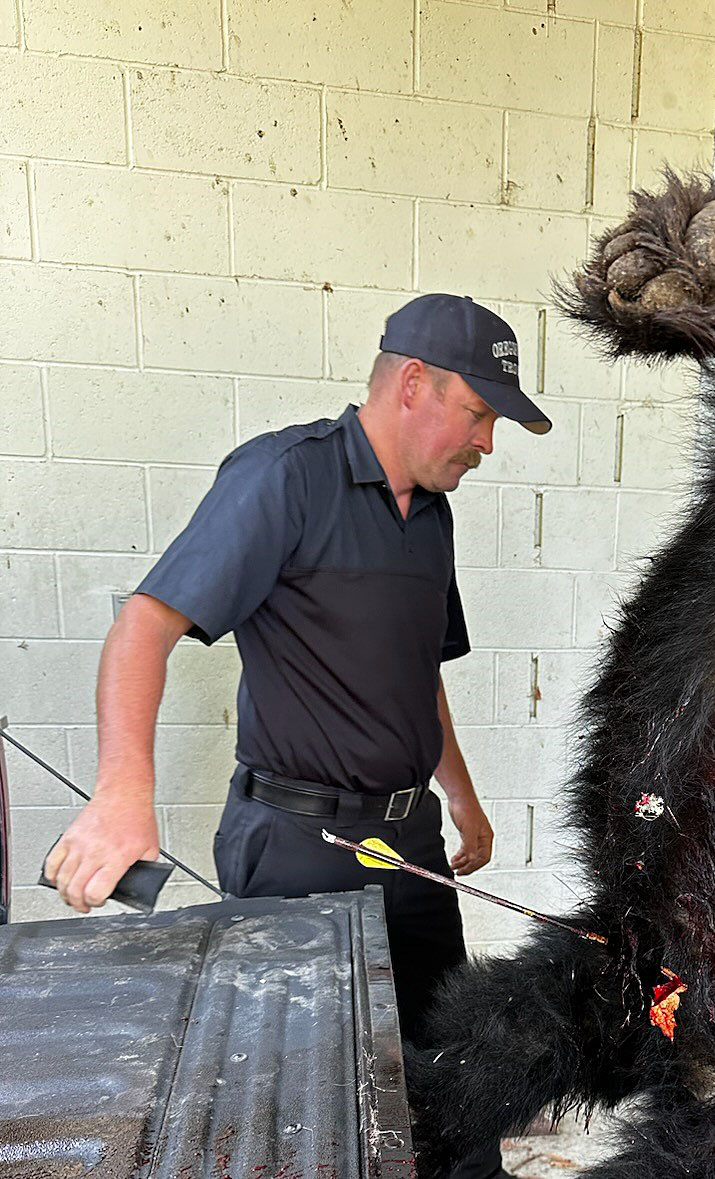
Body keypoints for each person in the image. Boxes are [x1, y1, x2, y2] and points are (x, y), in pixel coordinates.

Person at [45, 293, 552, 1179]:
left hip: (411, 845)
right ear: (413, 384)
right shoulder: (285, 476)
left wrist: (461, 796)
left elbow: (418, 671)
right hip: (295, 847)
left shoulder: (433, 517)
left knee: (452, 1087)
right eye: (478, 413)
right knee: (305, 1115)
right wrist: (122, 793)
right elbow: (145, 624)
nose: (486, 442)